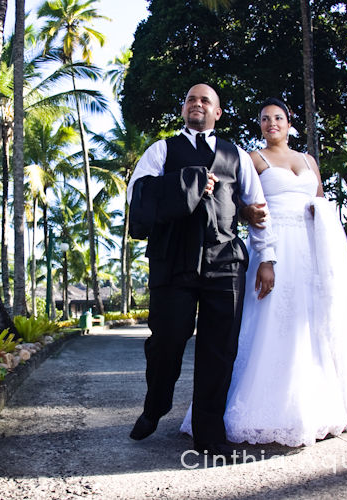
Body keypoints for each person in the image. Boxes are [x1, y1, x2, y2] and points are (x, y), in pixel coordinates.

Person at [180, 97, 347, 446]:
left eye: (278, 118)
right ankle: (252, 409)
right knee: (267, 322)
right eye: (265, 119)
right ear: (260, 126)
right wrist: (255, 232)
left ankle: (310, 407)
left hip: (309, 251)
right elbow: (233, 200)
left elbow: (321, 201)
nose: (271, 124)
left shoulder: (308, 160)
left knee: (308, 324)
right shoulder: (253, 158)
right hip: (273, 247)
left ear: (289, 121)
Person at [126, 83, 276, 460]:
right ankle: (155, 405)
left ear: (217, 112)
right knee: (167, 341)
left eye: (205, 100)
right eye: (191, 98)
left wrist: (268, 258)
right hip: (173, 259)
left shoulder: (236, 155)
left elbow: (255, 207)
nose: (197, 104)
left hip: (224, 260)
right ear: (183, 109)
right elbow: (138, 195)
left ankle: (210, 433)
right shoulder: (161, 150)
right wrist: (188, 182)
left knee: (219, 350)